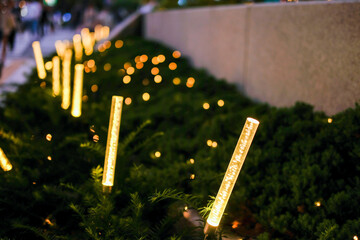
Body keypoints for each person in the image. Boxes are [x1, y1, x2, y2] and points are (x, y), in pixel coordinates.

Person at [0, 0, 17, 77]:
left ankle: (3, 60)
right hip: (4, 30)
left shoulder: (7, 13)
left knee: (4, 46)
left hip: (4, 31)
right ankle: (2, 60)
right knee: (4, 46)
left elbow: (12, 24)